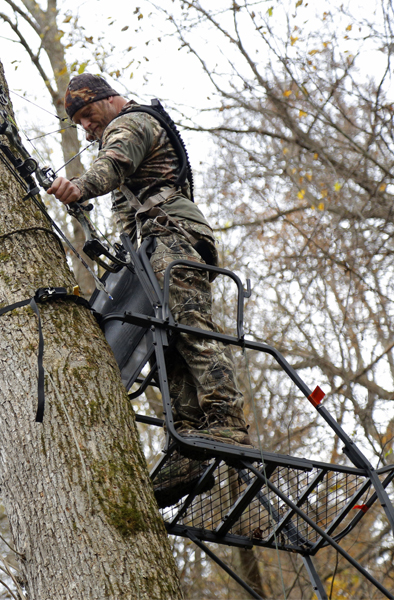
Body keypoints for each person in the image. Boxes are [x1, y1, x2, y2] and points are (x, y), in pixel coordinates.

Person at [46, 73, 252, 508]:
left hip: (172, 239)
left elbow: (113, 163)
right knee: (168, 343)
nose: (86, 127)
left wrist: (80, 187)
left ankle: (225, 420)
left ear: (106, 100)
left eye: (87, 115)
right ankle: (190, 449)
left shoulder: (131, 123)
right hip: (157, 244)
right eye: (78, 122)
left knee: (190, 329)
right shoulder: (121, 125)